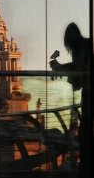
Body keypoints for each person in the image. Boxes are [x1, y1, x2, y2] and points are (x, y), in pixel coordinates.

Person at [49, 22, 91, 177]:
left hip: (88, 95)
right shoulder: (85, 45)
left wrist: (60, 68)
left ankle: (85, 169)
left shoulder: (80, 48)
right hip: (86, 95)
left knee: (85, 134)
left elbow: (78, 69)